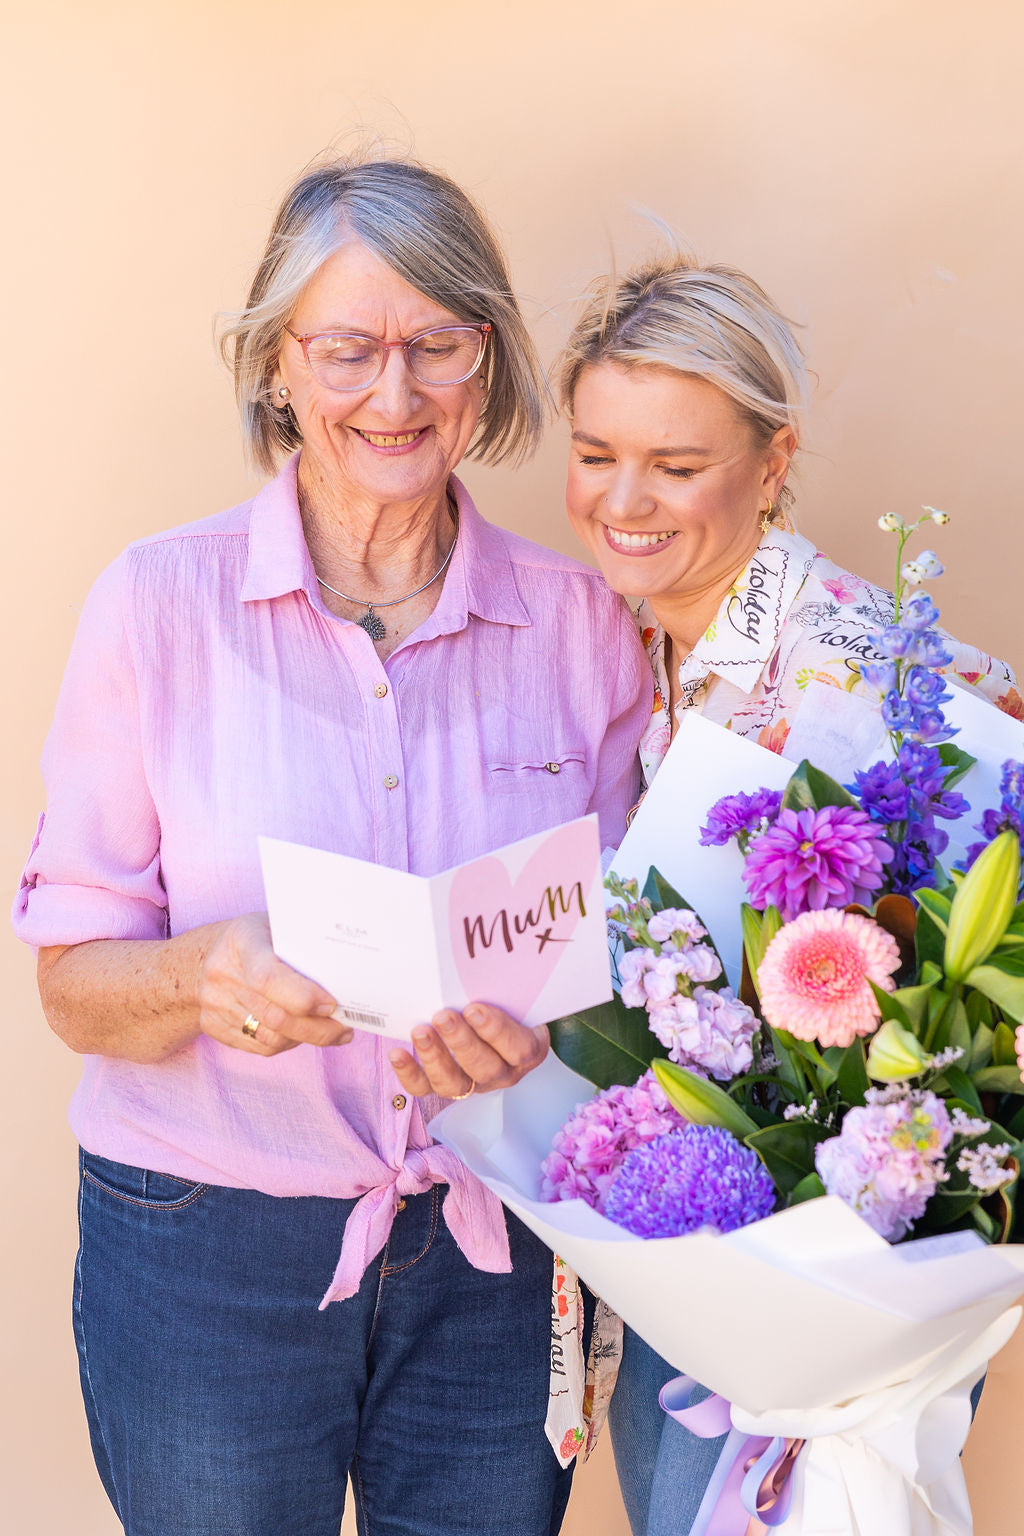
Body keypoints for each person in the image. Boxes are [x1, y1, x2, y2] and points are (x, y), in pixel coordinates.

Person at [12, 155, 653, 1536]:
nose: (395, 391)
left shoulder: (585, 624)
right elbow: (70, 985)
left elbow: (639, 962)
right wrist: (202, 976)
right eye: (349, 347)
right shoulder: (155, 606)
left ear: (488, 363)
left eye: (439, 343)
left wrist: (551, 1039)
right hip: (207, 1251)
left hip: (497, 1248)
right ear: (277, 367)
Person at [555, 250, 1019, 1535]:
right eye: (595, 454)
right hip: (696, 1262)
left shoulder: (858, 665)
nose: (623, 500)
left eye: (677, 464)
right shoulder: (633, 650)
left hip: (846, 1289)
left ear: (773, 460)